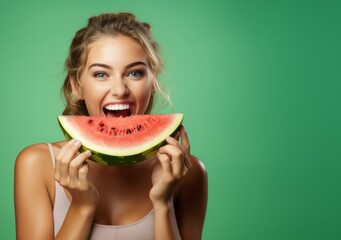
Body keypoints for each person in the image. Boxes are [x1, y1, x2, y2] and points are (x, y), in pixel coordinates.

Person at [14, 12, 208, 240]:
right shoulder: (37, 164)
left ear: (152, 83)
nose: (119, 89)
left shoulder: (188, 172)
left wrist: (163, 202)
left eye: (135, 73)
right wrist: (82, 205)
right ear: (77, 86)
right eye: (101, 74)